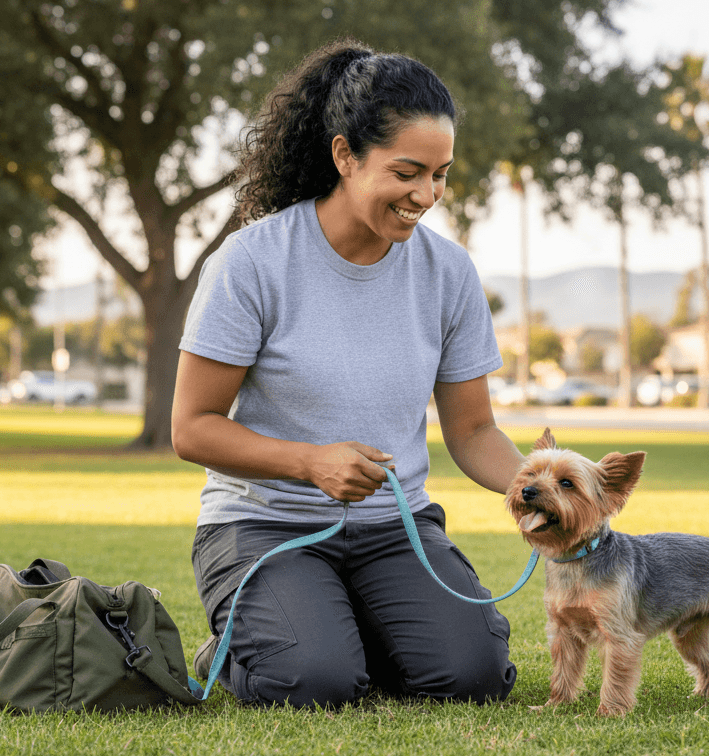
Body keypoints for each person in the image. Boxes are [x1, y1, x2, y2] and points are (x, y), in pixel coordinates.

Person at [171, 38, 527, 709]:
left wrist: (540, 486)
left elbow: (475, 430)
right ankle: (244, 643)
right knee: (313, 682)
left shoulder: (448, 273)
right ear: (345, 156)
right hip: (264, 526)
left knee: (474, 676)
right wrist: (310, 463)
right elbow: (192, 430)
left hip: (398, 529)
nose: (427, 194)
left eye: (441, 174)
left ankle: (335, 632)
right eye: (407, 172)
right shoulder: (252, 262)